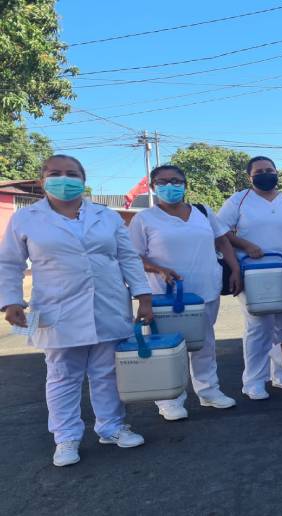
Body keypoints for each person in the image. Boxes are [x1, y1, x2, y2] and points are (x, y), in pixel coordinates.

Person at [0, 155, 152, 467]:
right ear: (42, 180)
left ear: (83, 180)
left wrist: (143, 296)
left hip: (108, 304)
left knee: (106, 372)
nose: (64, 179)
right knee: (62, 376)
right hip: (57, 308)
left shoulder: (105, 216)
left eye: (72, 173)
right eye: (55, 173)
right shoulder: (26, 218)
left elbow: (128, 257)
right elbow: (10, 262)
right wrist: (11, 300)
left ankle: (111, 427)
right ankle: (66, 437)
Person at [129, 165, 241, 421]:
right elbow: (133, 256)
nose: (170, 186)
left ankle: (208, 391)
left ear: (185, 184)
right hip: (167, 295)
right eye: (163, 182)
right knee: (168, 347)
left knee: (204, 343)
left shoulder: (203, 212)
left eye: (176, 180)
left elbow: (222, 241)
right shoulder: (144, 219)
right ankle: (170, 399)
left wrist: (235, 269)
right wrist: (158, 269)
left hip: (205, 290)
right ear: (153, 186)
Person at [217, 156, 282, 400]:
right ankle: (253, 381)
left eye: (270, 170)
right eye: (259, 171)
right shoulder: (239, 200)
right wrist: (245, 245)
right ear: (250, 177)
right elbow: (220, 230)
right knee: (258, 327)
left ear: (277, 172)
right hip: (254, 273)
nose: (266, 174)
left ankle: (281, 374)